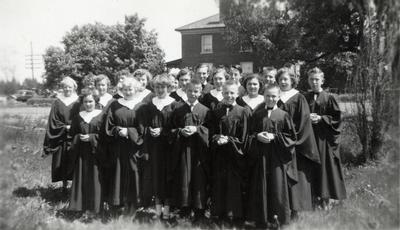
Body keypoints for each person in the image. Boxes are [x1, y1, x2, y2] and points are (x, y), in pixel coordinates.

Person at [246, 83, 297, 226]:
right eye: (267, 96)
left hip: (276, 158)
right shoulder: (257, 114)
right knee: (261, 185)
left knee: (277, 186)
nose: (270, 99)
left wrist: (275, 137)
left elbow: (291, 137)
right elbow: (249, 135)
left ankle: (278, 219)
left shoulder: (284, 115)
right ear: (264, 96)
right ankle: (261, 218)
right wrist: (257, 136)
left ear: (279, 97)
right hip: (260, 157)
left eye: (274, 96)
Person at [276, 67, 320, 217]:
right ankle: (281, 209)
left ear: (292, 81)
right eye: (280, 79)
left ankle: (295, 211)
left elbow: (303, 123)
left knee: (294, 178)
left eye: (286, 79)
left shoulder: (299, 98)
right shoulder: (274, 97)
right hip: (278, 143)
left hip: (295, 145)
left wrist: (292, 140)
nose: (283, 82)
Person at [209, 80, 250, 225]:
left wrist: (230, 140)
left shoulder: (243, 111)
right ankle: (220, 216)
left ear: (237, 93)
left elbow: (245, 137)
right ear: (222, 93)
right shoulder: (216, 112)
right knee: (220, 184)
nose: (229, 95)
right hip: (220, 156)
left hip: (235, 157)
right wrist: (216, 138)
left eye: (232, 93)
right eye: (226, 93)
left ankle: (236, 216)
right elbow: (211, 133)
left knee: (235, 186)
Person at [169, 78, 210, 222]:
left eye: (196, 91)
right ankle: (184, 209)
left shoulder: (205, 110)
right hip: (182, 150)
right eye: (190, 91)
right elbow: (170, 129)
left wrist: (197, 129)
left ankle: (199, 210)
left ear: (200, 92)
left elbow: (209, 131)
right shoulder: (178, 109)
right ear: (185, 91)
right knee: (183, 178)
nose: (193, 93)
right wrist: (180, 131)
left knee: (198, 179)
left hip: (199, 152)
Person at [304, 67, 346, 208]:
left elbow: (337, 118)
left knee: (324, 167)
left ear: (322, 80)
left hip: (323, 138)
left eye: (317, 79)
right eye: (311, 79)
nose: (314, 82)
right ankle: (313, 199)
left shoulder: (329, 97)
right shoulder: (305, 97)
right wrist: (306, 118)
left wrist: (322, 118)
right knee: (311, 166)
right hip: (309, 139)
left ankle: (326, 199)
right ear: (308, 81)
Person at [105, 77, 145, 215]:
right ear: (121, 90)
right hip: (118, 146)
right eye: (125, 89)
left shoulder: (140, 106)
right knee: (118, 172)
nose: (128, 92)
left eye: (131, 89)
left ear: (136, 90)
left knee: (133, 172)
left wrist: (129, 131)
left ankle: (133, 202)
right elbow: (108, 126)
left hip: (134, 147)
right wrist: (117, 130)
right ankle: (117, 202)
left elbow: (143, 129)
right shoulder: (114, 105)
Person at [140, 74, 178, 219]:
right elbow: (143, 125)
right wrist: (149, 130)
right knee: (156, 176)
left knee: (167, 177)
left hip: (168, 147)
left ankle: (167, 210)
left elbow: (176, 127)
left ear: (168, 87)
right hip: (154, 147)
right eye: (157, 86)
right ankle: (157, 210)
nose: (160, 89)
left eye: (163, 86)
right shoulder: (149, 105)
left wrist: (163, 131)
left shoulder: (175, 104)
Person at [68, 89, 103, 214]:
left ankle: (95, 209)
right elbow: (72, 135)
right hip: (82, 153)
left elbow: (105, 136)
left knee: (95, 179)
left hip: (96, 153)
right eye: (85, 102)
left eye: (91, 101)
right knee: (82, 178)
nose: (88, 104)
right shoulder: (78, 117)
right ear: (82, 103)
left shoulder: (101, 115)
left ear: (96, 101)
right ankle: (81, 207)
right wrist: (78, 137)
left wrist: (92, 137)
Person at [43, 76, 80, 190]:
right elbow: (53, 120)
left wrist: (73, 127)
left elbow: (82, 118)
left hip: (75, 137)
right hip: (61, 137)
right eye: (65, 87)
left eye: (69, 87)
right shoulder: (57, 102)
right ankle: (64, 186)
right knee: (62, 161)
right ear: (62, 88)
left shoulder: (78, 101)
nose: (67, 89)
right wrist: (64, 128)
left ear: (74, 88)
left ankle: (75, 188)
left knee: (75, 161)